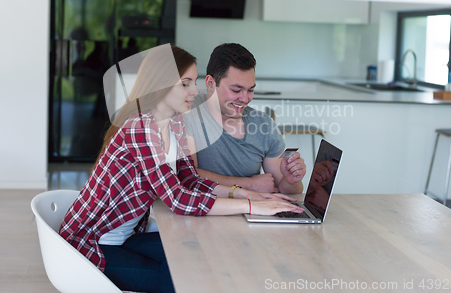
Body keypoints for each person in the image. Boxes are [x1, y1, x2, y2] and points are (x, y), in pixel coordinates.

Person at [59, 44, 303, 293]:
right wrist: (252, 206)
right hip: (93, 243)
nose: (194, 91)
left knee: (196, 250)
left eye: (193, 82)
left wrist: (243, 193)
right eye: (185, 83)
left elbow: (189, 180)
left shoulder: (175, 123)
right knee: (182, 273)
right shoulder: (140, 127)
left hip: (126, 236)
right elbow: (178, 199)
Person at [184, 43, 307, 194]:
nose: (245, 98)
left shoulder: (263, 124)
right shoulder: (187, 110)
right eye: (236, 90)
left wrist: (291, 180)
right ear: (210, 83)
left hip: (251, 213)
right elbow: (188, 177)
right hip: (202, 213)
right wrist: (248, 184)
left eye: (250, 90)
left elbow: (288, 190)